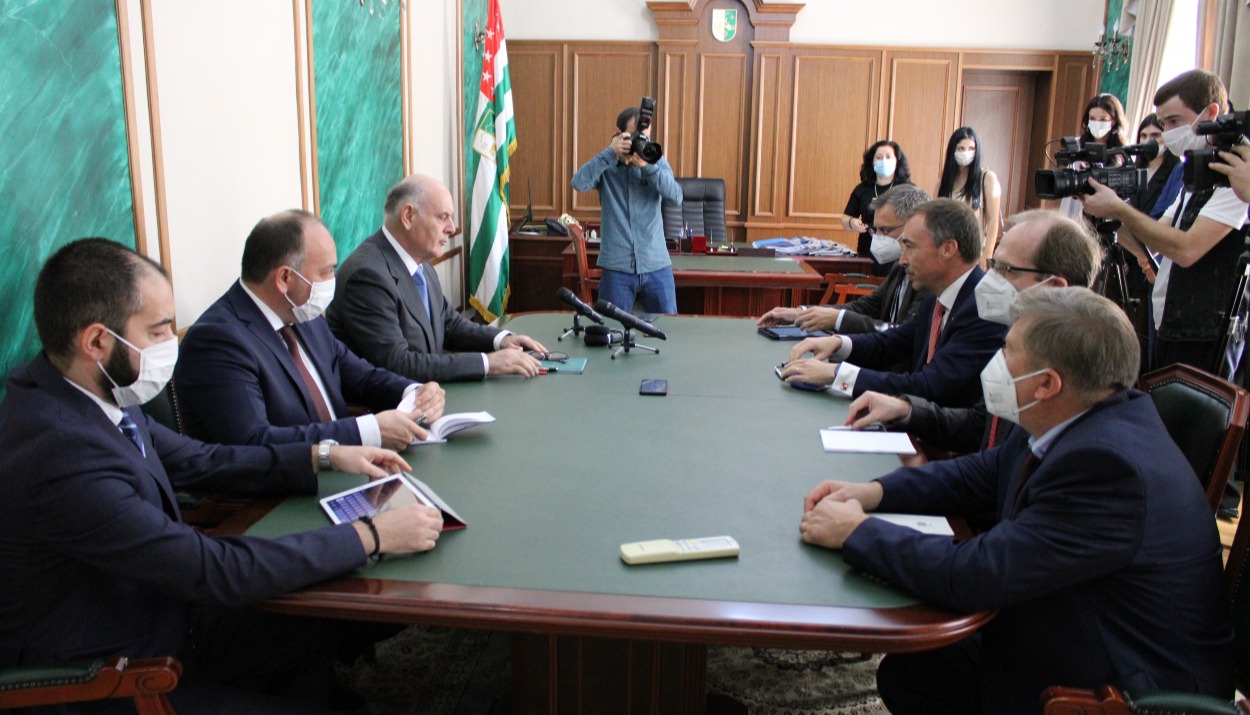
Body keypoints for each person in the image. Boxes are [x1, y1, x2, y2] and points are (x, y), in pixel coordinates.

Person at [0, 238, 445, 713]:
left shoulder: (89, 395)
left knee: (318, 625)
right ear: (96, 342)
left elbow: (200, 460)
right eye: (158, 330)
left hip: (168, 615)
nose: (173, 341)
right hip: (117, 676)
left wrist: (323, 456)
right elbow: (209, 569)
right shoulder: (58, 453)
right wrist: (371, 535)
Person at [800, 287, 1232, 714]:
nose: (995, 362)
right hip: (1074, 620)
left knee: (922, 674)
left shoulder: (1107, 468)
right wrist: (873, 492)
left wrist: (857, 532)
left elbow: (978, 575)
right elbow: (984, 472)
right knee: (916, 672)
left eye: (1007, 350)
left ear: (1047, 383)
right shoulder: (1079, 411)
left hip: (1117, 685)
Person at [176, 209, 446, 450]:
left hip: (349, 465)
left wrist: (412, 392)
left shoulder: (303, 314)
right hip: (285, 494)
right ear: (285, 278)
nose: (333, 280)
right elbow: (255, 443)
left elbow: (359, 374)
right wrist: (367, 431)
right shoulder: (217, 341)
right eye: (327, 272)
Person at [844, 210, 1103, 455]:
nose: (991, 278)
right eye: (994, 265)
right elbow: (982, 428)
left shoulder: (1076, 392)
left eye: (1006, 270)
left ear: (1054, 288)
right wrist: (905, 411)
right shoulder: (1023, 340)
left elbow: (994, 472)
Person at [1081, 69, 1249, 375]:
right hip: (1168, 321)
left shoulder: (1239, 173)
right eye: (1163, 123)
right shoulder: (1195, 170)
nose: (1168, 132)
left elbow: (1186, 250)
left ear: (1210, 113)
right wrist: (1107, 209)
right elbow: (1154, 242)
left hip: (1205, 332)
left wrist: (1120, 208)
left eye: (1174, 122)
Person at [781, 198, 1007, 408]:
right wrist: (839, 344)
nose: (902, 259)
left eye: (910, 246)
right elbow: (893, 343)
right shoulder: (939, 294)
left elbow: (928, 386)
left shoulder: (984, 309)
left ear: (947, 249)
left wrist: (836, 374)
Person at [327, 174, 547, 383]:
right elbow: (399, 364)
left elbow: (449, 324)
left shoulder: (420, 263)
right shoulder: (367, 277)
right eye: (443, 217)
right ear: (408, 216)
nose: (451, 228)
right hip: (392, 410)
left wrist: (500, 340)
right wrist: (487, 363)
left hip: (431, 393)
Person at [757, 184, 930, 335]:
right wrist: (801, 314)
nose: (877, 237)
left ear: (912, 226)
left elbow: (903, 335)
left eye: (884, 231)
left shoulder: (930, 280)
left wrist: (837, 319)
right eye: (874, 231)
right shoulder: (899, 268)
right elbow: (865, 307)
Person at [571, 105, 683, 313]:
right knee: (612, 332)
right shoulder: (606, 165)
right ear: (618, 134)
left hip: (656, 264)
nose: (640, 143)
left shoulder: (655, 161)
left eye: (644, 138)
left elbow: (676, 197)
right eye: (634, 137)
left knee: (667, 331)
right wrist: (609, 153)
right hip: (617, 267)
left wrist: (648, 167)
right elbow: (578, 183)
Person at [841, 140, 912, 273]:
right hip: (867, 251)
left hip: (898, 252)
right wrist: (852, 222)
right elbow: (845, 219)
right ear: (872, 162)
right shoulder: (862, 189)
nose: (883, 161)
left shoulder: (908, 189)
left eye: (888, 157)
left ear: (897, 161)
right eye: (879, 157)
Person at [937, 127, 1002, 265]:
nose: (966, 153)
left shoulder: (987, 178)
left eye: (971, 148)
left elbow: (992, 220)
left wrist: (987, 254)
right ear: (953, 150)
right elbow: (937, 221)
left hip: (975, 255)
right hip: (947, 255)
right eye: (961, 148)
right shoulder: (942, 184)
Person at [1134, 112, 1182, 217]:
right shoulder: (1133, 169)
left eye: (1155, 135)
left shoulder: (1177, 174)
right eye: (1143, 135)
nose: (1148, 141)